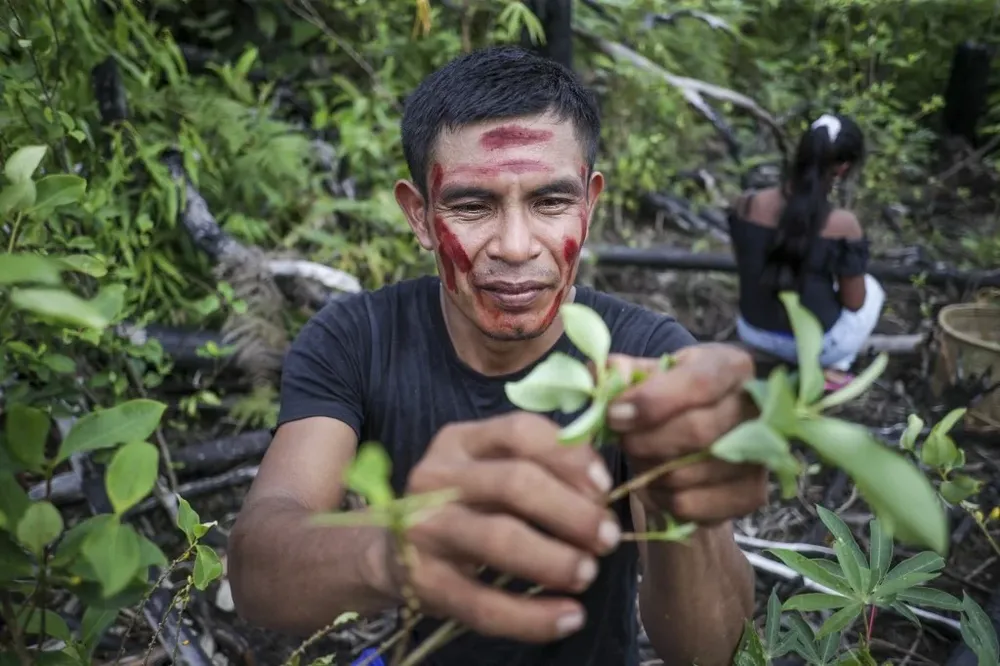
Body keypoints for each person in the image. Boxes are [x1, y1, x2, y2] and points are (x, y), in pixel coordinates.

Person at [229, 45, 767, 666]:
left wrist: (686, 502)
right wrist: (395, 551)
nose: (516, 247)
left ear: (589, 206)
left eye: (550, 202)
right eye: (471, 205)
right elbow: (257, 568)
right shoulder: (357, 338)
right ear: (421, 215)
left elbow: (713, 651)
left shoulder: (647, 358)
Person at [728, 113, 886, 389]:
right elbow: (855, 303)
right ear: (843, 168)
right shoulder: (843, 224)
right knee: (872, 290)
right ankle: (835, 368)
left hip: (752, 330)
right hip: (814, 346)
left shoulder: (746, 204)